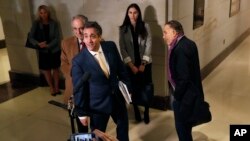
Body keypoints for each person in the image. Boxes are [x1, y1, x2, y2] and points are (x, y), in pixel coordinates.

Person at [71, 21, 132, 141]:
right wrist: (82, 113)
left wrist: (128, 88)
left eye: (93, 36)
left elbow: (121, 69)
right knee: (98, 136)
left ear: (99, 36)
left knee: (123, 128)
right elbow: (79, 88)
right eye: (86, 36)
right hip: (97, 106)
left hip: (117, 99)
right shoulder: (78, 61)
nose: (89, 40)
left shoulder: (111, 46)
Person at [163, 20, 205, 141]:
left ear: (174, 33)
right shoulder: (189, 43)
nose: (163, 36)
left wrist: (177, 96)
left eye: (165, 32)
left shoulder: (179, 49)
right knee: (186, 128)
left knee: (182, 129)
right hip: (191, 94)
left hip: (184, 98)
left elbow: (183, 78)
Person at [119, 3, 152, 124]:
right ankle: (136, 110)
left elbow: (149, 45)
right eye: (130, 12)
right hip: (130, 65)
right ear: (127, 14)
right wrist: (131, 66)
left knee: (146, 87)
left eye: (135, 12)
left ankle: (147, 111)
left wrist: (143, 64)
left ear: (139, 13)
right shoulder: (123, 29)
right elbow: (122, 48)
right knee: (133, 88)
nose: (132, 15)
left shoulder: (145, 26)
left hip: (145, 64)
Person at [60, 15, 88, 133]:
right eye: (75, 29)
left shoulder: (97, 40)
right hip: (75, 87)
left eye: (81, 28)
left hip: (93, 87)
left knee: (97, 123)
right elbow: (63, 64)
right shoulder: (66, 43)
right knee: (81, 124)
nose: (78, 32)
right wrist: (75, 74)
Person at [28, 5, 61, 96]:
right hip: (43, 50)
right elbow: (31, 37)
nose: (43, 15)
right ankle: (51, 87)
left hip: (54, 49)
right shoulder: (36, 23)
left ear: (48, 13)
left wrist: (48, 45)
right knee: (46, 70)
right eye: (41, 13)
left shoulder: (54, 23)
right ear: (39, 14)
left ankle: (57, 87)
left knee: (56, 69)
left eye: (45, 12)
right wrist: (38, 44)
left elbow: (57, 38)